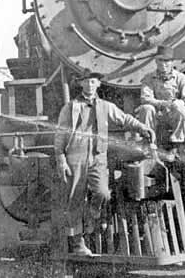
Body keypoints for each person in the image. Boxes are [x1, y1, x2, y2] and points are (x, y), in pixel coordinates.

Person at [54, 70, 154, 256]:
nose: (90, 85)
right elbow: (60, 134)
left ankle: (92, 214)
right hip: (75, 156)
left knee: (103, 193)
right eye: (86, 82)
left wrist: (142, 127)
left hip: (98, 156)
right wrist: (61, 159)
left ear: (98, 84)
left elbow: (124, 119)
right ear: (81, 84)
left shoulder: (106, 106)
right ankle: (78, 244)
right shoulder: (70, 107)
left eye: (93, 82)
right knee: (74, 200)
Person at [137, 45, 185, 149]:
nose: (163, 64)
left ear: (172, 62)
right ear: (156, 61)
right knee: (146, 108)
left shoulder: (181, 78)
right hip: (157, 115)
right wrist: (163, 103)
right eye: (160, 60)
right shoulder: (148, 78)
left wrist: (182, 102)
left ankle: (176, 145)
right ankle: (149, 141)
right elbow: (145, 98)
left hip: (173, 115)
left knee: (182, 110)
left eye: (167, 61)